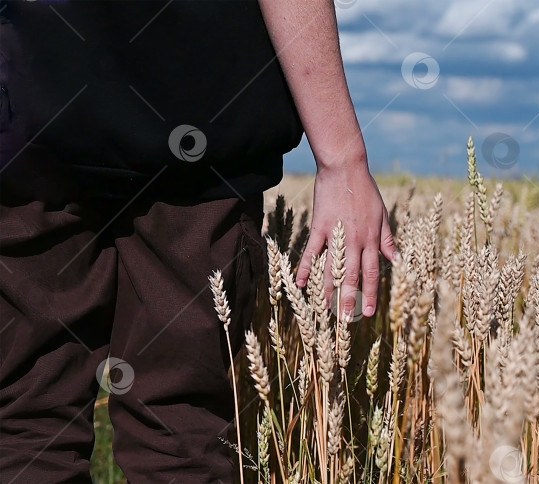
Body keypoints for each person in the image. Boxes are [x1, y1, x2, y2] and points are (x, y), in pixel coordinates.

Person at [0, 0, 396, 481]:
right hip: (201, 125)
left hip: (31, 116)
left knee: (28, 426)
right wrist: (342, 156)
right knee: (178, 431)